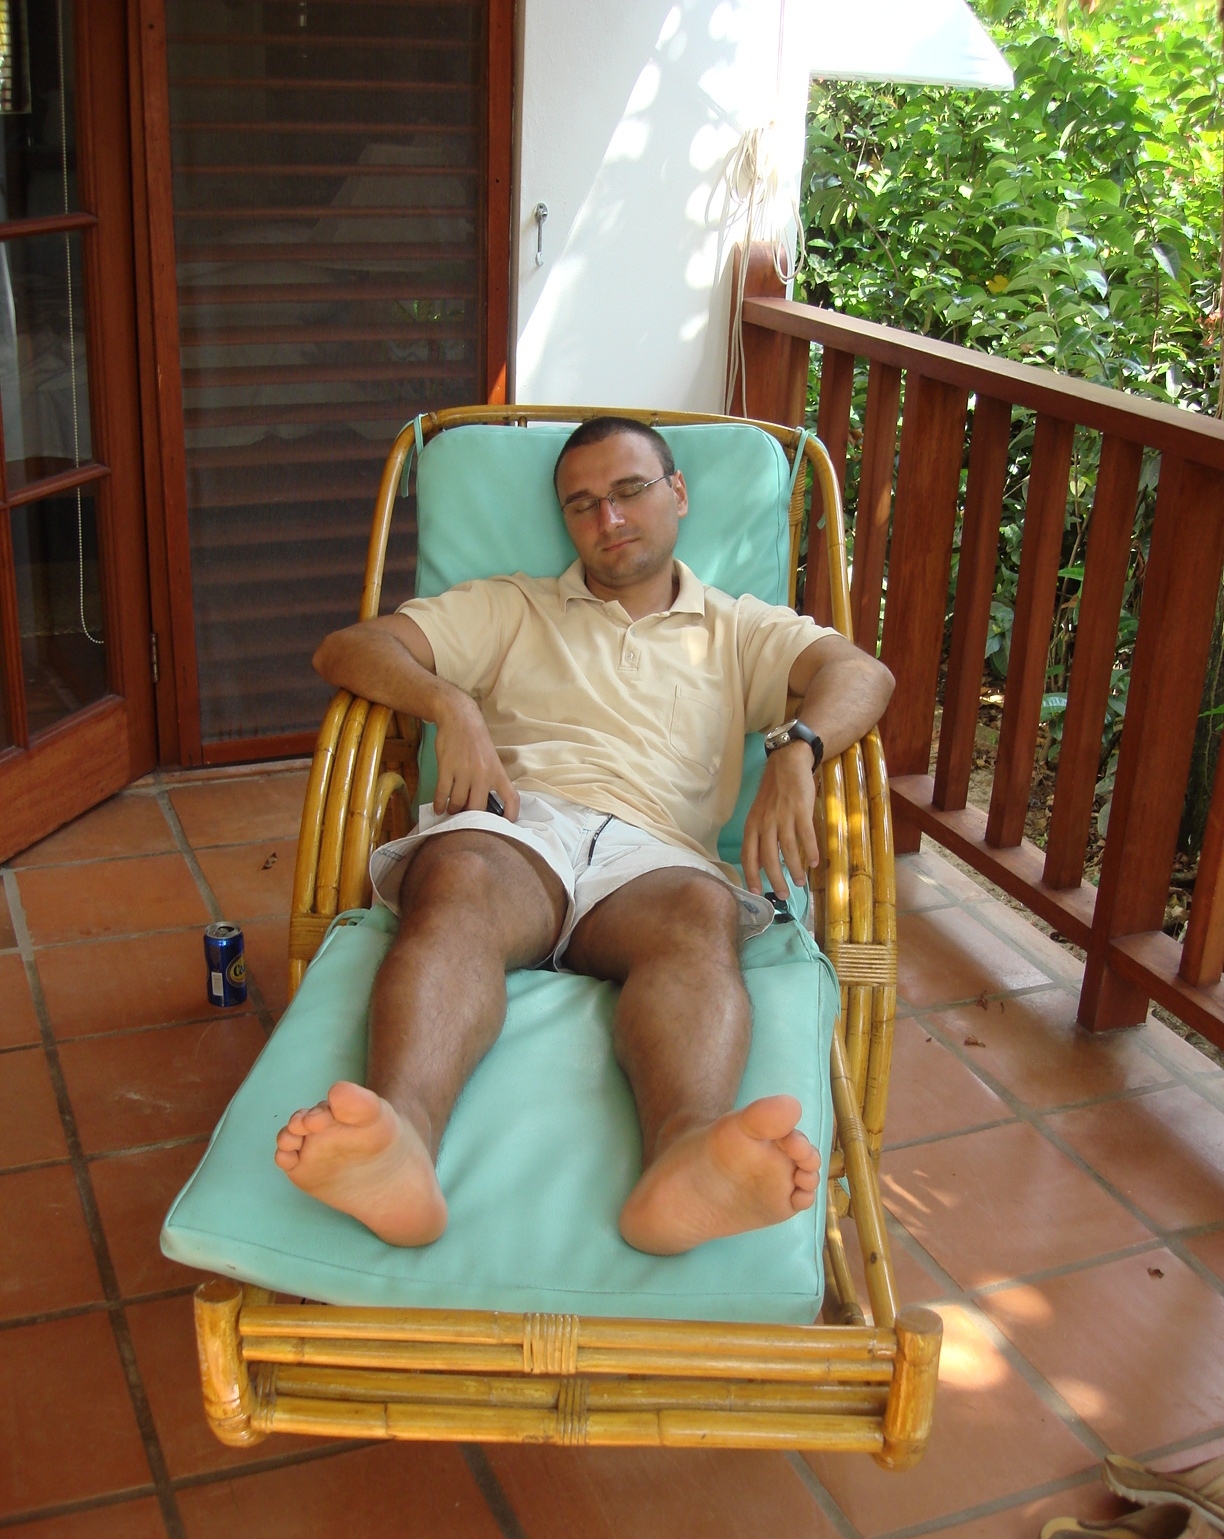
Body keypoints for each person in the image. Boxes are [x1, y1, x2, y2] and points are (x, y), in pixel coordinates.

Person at [274, 417, 894, 1255]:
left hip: (654, 859)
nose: (609, 518)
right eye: (583, 503)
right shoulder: (510, 606)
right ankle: (399, 1144)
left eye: (630, 490)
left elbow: (862, 673)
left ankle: (686, 1162)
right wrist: (451, 705)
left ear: (678, 492)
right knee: (458, 875)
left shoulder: (741, 629)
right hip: (520, 832)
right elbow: (348, 650)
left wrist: (797, 748)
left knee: (700, 916)